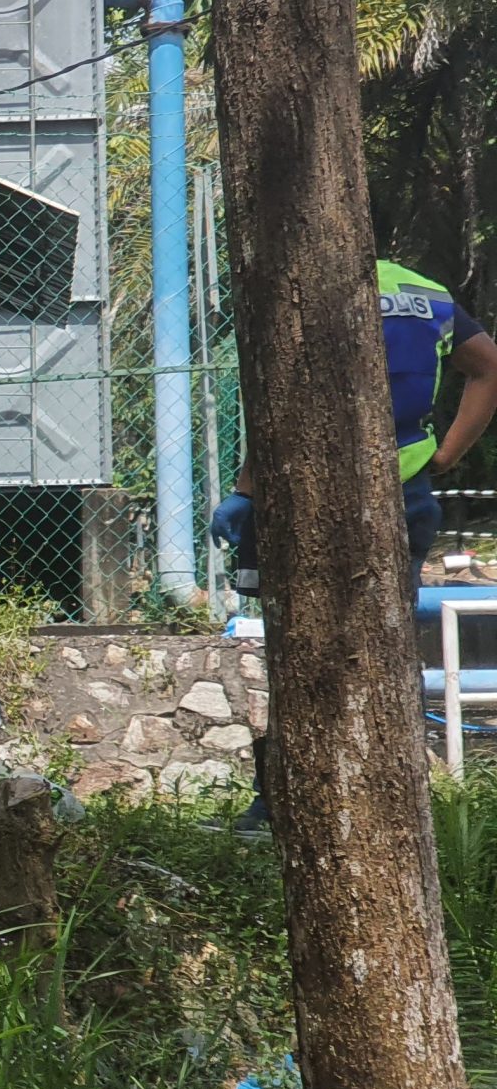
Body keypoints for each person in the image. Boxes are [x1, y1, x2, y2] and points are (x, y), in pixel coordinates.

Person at [210, 259, 497, 833]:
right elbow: (488, 367)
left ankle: (280, 809)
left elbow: (285, 405)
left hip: (313, 490)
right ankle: (381, 804)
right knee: (384, 646)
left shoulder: (302, 275)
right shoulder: (427, 291)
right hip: (404, 491)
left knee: (300, 651)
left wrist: (246, 491)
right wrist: (448, 453)